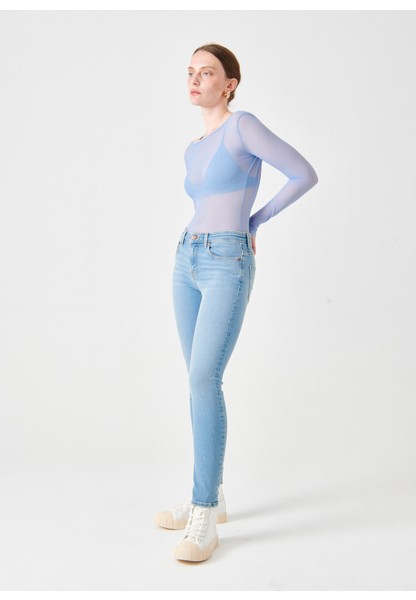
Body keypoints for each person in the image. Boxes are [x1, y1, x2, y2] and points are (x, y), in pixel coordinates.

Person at [155, 43, 318, 562]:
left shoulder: (242, 126)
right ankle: (212, 494)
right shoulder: (193, 146)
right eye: (190, 72)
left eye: (207, 73)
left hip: (227, 259)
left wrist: (256, 221)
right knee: (196, 382)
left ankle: (204, 515)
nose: (194, 80)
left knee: (206, 378)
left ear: (229, 84)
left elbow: (303, 173)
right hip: (186, 258)